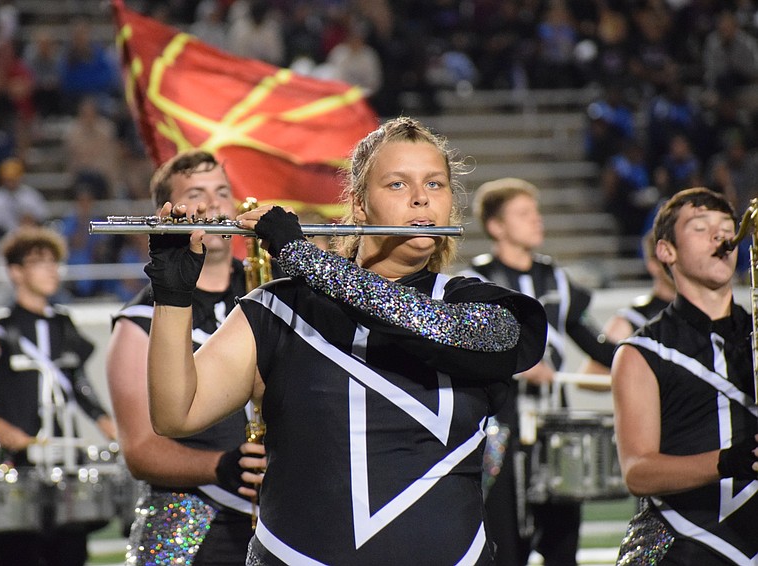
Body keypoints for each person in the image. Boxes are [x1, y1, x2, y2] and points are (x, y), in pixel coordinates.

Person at [145, 117, 547, 564]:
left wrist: (302, 257)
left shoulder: (484, 309)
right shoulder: (279, 308)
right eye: (397, 184)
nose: (420, 197)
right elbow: (175, 413)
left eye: (435, 184)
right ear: (358, 205)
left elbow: (432, 327)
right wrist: (172, 296)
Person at [106, 150, 266, 565]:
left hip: (272, 521)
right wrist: (221, 466)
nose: (214, 205)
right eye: (196, 194)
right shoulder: (138, 321)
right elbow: (140, 450)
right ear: (169, 212)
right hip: (189, 525)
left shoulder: (268, 296)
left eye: (222, 192)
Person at [458, 177, 616, 566]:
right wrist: (516, 364)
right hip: (499, 427)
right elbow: (465, 352)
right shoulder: (475, 283)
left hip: (554, 427)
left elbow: (595, 342)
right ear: (496, 226)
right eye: (524, 214)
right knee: (505, 544)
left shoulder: (558, 280)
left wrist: (639, 360)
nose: (537, 221)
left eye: (537, 212)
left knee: (563, 543)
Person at [0, 226, 117, 566]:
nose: (51, 269)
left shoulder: (64, 325)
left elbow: (80, 385)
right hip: (20, 469)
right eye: (40, 262)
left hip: (66, 466)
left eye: (54, 262)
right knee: (21, 556)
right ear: (16, 272)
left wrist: (110, 427)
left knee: (70, 555)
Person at [612, 187, 758, 565]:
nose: (720, 235)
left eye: (728, 226)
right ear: (666, 251)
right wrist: (729, 462)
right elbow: (638, 473)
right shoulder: (641, 352)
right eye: (700, 226)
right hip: (686, 544)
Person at [580, 230, 676, 376]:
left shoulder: (706, 311)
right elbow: (590, 375)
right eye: (669, 257)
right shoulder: (634, 318)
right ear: (653, 264)